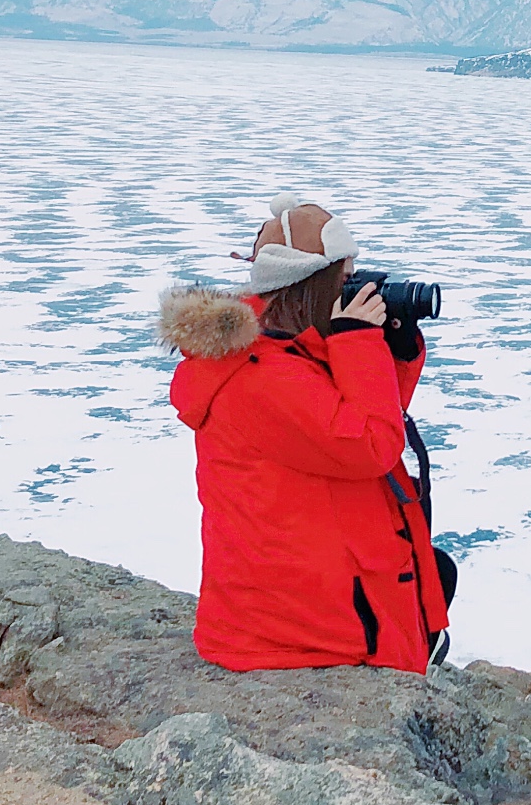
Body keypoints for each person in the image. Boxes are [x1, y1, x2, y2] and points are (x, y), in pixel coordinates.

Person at [157, 195, 450, 673]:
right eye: (346, 277)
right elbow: (371, 445)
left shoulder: (281, 342)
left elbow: (364, 414)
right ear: (313, 284)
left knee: (437, 576)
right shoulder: (259, 378)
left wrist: (391, 349)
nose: (356, 286)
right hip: (298, 632)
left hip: (297, 601)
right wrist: (356, 341)